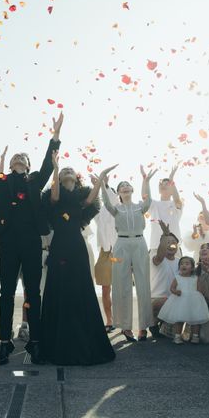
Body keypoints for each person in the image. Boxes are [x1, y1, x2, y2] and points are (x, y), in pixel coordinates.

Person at [0, 108, 63, 365]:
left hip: (32, 242)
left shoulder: (35, 181)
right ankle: (5, 342)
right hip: (8, 242)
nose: (17, 158)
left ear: (27, 165)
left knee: (33, 292)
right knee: (6, 292)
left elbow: (48, 163)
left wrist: (55, 135)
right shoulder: (2, 181)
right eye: (15, 157)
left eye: (22, 158)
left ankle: (35, 342)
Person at [38, 154, 115, 365]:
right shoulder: (54, 196)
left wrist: (101, 178)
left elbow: (91, 200)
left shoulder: (81, 197)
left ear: (76, 177)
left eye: (70, 170)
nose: (68, 171)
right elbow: (54, 197)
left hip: (77, 247)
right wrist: (56, 168)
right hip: (59, 246)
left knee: (81, 289)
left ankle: (83, 337)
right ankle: (58, 341)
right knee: (58, 288)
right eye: (64, 171)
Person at [100, 164, 157, 342]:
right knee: (121, 284)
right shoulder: (116, 208)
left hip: (139, 243)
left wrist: (146, 181)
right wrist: (102, 182)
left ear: (132, 190)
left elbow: (148, 199)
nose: (125, 186)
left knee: (143, 284)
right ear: (118, 192)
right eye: (122, 186)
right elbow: (106, 202)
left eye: (127, 185)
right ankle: (125, 326)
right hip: (121, 244)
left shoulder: (140, 207)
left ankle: (143, 327)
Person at [158, 256, 209, 344]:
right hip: (180, 301)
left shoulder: (195, 278)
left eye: (187, 264)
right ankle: (177, 336)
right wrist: (175, 291)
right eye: (181, 264)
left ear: (192, 268)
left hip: (193, 302)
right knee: (179, 320)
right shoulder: (177, 277)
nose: (184, 265)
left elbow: (200, 290)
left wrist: (201, 289)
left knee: (195, 320)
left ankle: (195, 336)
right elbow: (172, 288)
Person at [93, 179, 118, 332]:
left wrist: (105, 185)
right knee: (105, 288)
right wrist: (97, 186)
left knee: (120, 288)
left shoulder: (118, 208)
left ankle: (121, 320)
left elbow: (112, 198)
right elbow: (93, 201)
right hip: (104, 252)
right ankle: (109, 320)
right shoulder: (99, 212)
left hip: (119, 251)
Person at [148, 165, 183, 265]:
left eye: (167, 184)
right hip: (156, 246)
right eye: (161, 184)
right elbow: (145, 197)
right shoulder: (154, 204)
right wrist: (146, 181)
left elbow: (177, 200)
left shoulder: (175, 204)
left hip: (173, 246)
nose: (163, 185)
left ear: (172, 190)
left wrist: (171, 179)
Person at [150, 229, 179, 338]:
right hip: (157, 299)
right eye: (167, 242)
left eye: (173, 242)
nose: (171, 245)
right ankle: (154, 323)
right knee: (164, 302)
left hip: (174, 298)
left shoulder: (180, 262)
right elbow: (160, 254)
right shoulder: (157, 259)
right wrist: (165, 235)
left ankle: (164, 322)